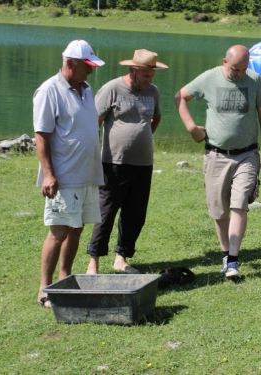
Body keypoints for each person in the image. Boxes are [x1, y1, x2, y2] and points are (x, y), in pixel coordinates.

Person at [174, 45, 261, 280]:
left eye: (243, 69)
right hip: (216, 154)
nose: (238, 74)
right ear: (224, 62)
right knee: (219, 210)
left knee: (239, 204)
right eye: (234, 69)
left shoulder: (255, 80)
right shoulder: (209, 78)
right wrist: (191, 127)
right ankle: (225, 254)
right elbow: (181, 97)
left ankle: (233, 262)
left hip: (247, 155)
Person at [33, 39, 105, 308]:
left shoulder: (86, 89)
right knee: (59, 231)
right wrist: (49, 174)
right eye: (86, 66)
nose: (90, 71)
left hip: (86, 174)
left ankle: (65, 280)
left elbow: (88, 132)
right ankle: (45, 288)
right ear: (70, 63)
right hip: (63, 176)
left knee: (77, 228)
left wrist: (98, 170)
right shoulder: (49, 91)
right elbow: (42, 135)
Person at [86, 49, 166, 274]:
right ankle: (94, 261)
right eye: (145, 75)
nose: (149, 80)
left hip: (143, 164)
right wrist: (95, 161)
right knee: (106, 213)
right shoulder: (112, 89)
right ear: (133, 70)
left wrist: (144, 135)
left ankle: (121, 257)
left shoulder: (153, 92)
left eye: (152, 75)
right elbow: (94, 124)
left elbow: (157, 116)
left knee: (135, 213)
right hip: (114, 163)